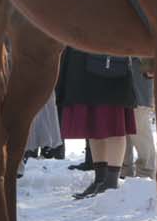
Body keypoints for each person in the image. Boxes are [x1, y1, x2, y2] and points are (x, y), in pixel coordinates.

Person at [56, 48, 136, 198]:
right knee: (92, 123)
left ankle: (111, 182)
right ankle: (100, 179)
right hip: (84, 60)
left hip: (111, 60)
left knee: (115, 124)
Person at [122, 59, 156, 179]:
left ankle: (147, 172)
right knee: (122, 127)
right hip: (120, 71)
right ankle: (123, 169)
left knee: (138, 125)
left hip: (141, 73)